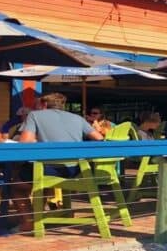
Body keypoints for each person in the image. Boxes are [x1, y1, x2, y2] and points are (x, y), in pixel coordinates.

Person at [10, 92, 103, 231]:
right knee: (42, 180)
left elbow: (25, 142)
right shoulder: (77, 118)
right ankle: (37, 217)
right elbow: (99, 137)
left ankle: (29, 221)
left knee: (17, 185)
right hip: (75, 169)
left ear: (44, 104)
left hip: (49, 168)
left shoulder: (35, 115)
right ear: (62, 105)